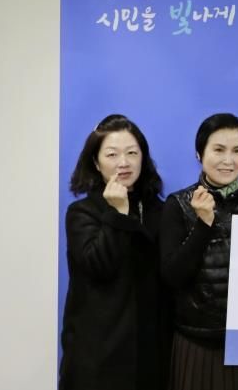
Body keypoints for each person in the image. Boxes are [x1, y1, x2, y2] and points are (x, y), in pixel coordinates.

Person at [160, 113, 238, 390]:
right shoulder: (178, 204)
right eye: (218, 150)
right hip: (199, 343)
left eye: (237, 151)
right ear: (199, 154)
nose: (228, 160)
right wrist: (203, 224)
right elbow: (172, 277)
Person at [60, 114, 168, 390]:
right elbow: (99, 265)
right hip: (97, 354)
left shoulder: (159, 209)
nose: (124, 162)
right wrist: (117, 213)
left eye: (132, 153)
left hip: (150, 354)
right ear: (96, 162)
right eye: (112, 154)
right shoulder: (82, 212)